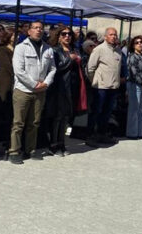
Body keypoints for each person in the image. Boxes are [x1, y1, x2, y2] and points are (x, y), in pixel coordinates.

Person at [9, 21, 55, 164]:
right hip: (23, 91)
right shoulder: (21, 48)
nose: (39, 30)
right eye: (35, 28)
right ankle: (14, 151)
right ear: (29, 31)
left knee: (34, 122)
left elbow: (52, 69)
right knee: (18, 123)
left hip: (41, 91)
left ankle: (31, 149)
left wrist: (46, 83)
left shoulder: (48, 49)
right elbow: (19, 71)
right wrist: (34, 85)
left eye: (41, 28)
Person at [43, 25, 82, 155]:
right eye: (64, 34)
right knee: (57, 117)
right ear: (58, 36)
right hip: (59, 88)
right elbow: (56, 68)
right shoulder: (55, 50)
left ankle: (62, 144)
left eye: (69, 34)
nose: (67, 36)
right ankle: (53, 146)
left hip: (72, 87)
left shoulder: (74, 49)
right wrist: (70, 59)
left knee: (66, 117)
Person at [85, 27, 123, 147]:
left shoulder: (118, 51)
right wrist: (95, 81)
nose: (113, 37)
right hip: (100, 87)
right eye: (111, 34)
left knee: (107, 113)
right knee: (96, 112)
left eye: (115, 35)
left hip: (113, 87)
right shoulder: (99, 49)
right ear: (105, 36)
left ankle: (102, 134)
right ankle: (90, 136)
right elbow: (90, 68)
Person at [125, 35, 142, 140]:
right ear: (133, 45)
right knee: (134, 109)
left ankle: (140, 132)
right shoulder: (132, 56)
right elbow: (133, 72)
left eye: (141, 42)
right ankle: (132, 133)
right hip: (134, 85)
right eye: (137, 42)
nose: (139, 44)